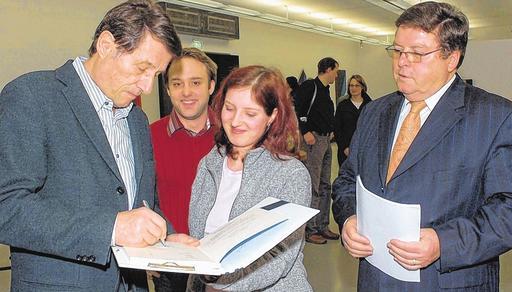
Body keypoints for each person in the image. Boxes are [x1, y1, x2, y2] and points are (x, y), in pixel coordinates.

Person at [0, 1, 197, 291]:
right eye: (142, 68)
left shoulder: (137, 119)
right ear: (106, 44)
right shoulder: (33, 97)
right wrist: (112, 228)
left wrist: (166, 237)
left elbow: (139, 204)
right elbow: (7, 206)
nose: (147, 87)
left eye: (155, 75)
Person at [332, 2, 512, 291]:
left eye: (417, 54)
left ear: (452, 58)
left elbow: (511, 209)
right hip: (374, 279)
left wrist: (444, 242)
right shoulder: (374, 112)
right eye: (397, 51)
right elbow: (346, 180)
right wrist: (348, 219)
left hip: (445, 281)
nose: (402, 62)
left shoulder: (497, 117)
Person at [187, 66, 313, 291]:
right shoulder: (209, 163)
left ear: (272, 116)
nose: (235, 121)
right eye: (229, 108)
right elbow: (199, 239)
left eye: (250, 113)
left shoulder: (290, 174)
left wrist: (222, 281)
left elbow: (279, 256)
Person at [150, 47, 217, 292]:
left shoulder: (231, 136)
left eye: (196, 82)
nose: (186, 92)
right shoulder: (148, 137)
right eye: (177, 84)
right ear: (167, 89)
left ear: (211, 86)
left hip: (221, 265)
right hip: (171, 263)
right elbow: (139, 199)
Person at [295, 57, 340, 244]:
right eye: (336, 71)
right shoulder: (309, 87)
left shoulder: (325, 91)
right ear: (328, 69)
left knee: (325, 185)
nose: (337, 75)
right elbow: (296, 110)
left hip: (325, 140)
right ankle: (310, 229)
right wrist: (305, 132)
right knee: (313, 185)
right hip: (313, 140)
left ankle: (322, 225)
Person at [334, 74, 372, 166]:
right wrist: (344, 147)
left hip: (365, 150)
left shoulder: (370, 105)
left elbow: (372, 129)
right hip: (346, 150)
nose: (353, 88)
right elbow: (337, 129)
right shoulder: (343, 105)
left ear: (362, 87)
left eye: (357, 85)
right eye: (351, 85)